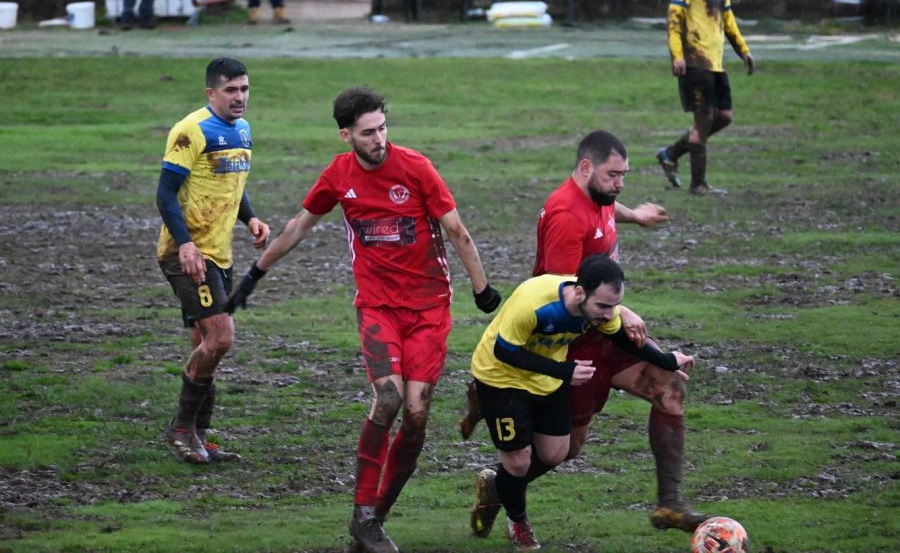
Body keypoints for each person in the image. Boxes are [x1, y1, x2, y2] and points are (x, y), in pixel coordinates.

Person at [224, 86, 501, 553]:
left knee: (416, 417)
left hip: (429, 309)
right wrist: (254, 275)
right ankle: (362, 513)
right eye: (369, 132)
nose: (380, 139)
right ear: (346, 135)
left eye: (383, 128)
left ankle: (375, 518)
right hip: (377, 307)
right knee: (389, 399)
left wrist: (482, 289)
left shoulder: (416, 167)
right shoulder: (339, 175)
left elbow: (456, 229)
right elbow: (298, 226)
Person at [466, 130, 709, 536]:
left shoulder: (600, 198)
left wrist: (637, 216)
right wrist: (623, 311)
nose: (620, 184)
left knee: (670, 388)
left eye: (623, 175)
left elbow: (608, 214)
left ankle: (670, 505)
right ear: (585, 168)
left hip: (606, 331)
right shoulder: (565, 215)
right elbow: (567, 287)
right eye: (614, 175)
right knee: (565, 449)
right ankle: (500, 484)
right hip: (574, 344)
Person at [470, 255, 693, 550]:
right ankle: (519, 523)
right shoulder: (533, 304)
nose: (609, 314)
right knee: (519, 461)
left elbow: (622, 339)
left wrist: (667, 360)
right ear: (579, 292)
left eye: (615, 306)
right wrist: (565, 371)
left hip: (545, 379)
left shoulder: (599, 311)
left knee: (555, 453)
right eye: (603, 306)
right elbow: (505, 352)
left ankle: (496, 487)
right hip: (501, 379)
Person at [156, 57, 270, 465]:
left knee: (205, 346)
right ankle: (181, 429)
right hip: (185, 253)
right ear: (211, 93)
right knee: (221, 338)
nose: (239, 97)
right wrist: (185, 244)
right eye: (230, 90)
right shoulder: (191, 130)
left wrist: (251, 217)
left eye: (244, 89)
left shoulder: (242, 130)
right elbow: (165, 195)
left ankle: (198, 437)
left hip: (219, 253)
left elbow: (232, 186)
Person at [657, 0, 756, 195]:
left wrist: (743, 50)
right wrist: (677, 55)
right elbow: (674, 17)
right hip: (695, 61)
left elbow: (727, 18)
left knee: (724, 116)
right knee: (703, 122)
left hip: (715, 62)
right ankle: (698, 184)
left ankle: (671, 153)